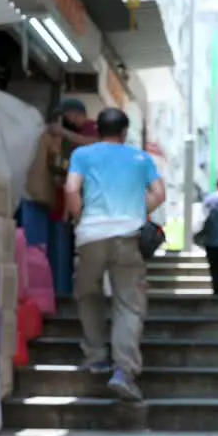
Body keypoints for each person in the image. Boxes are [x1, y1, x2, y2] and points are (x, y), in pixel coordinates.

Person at [64, 108, 165, 402]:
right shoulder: (141, 158)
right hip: (128, 237)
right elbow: (159, 194)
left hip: (91, 236)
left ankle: (95, 356)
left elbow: (71, 188)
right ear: (124, 132)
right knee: (128, 304)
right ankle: (123, 371)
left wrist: (79, 217)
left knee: (88, 294)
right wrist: (138, 212)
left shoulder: (83, 155)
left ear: (98, 131)